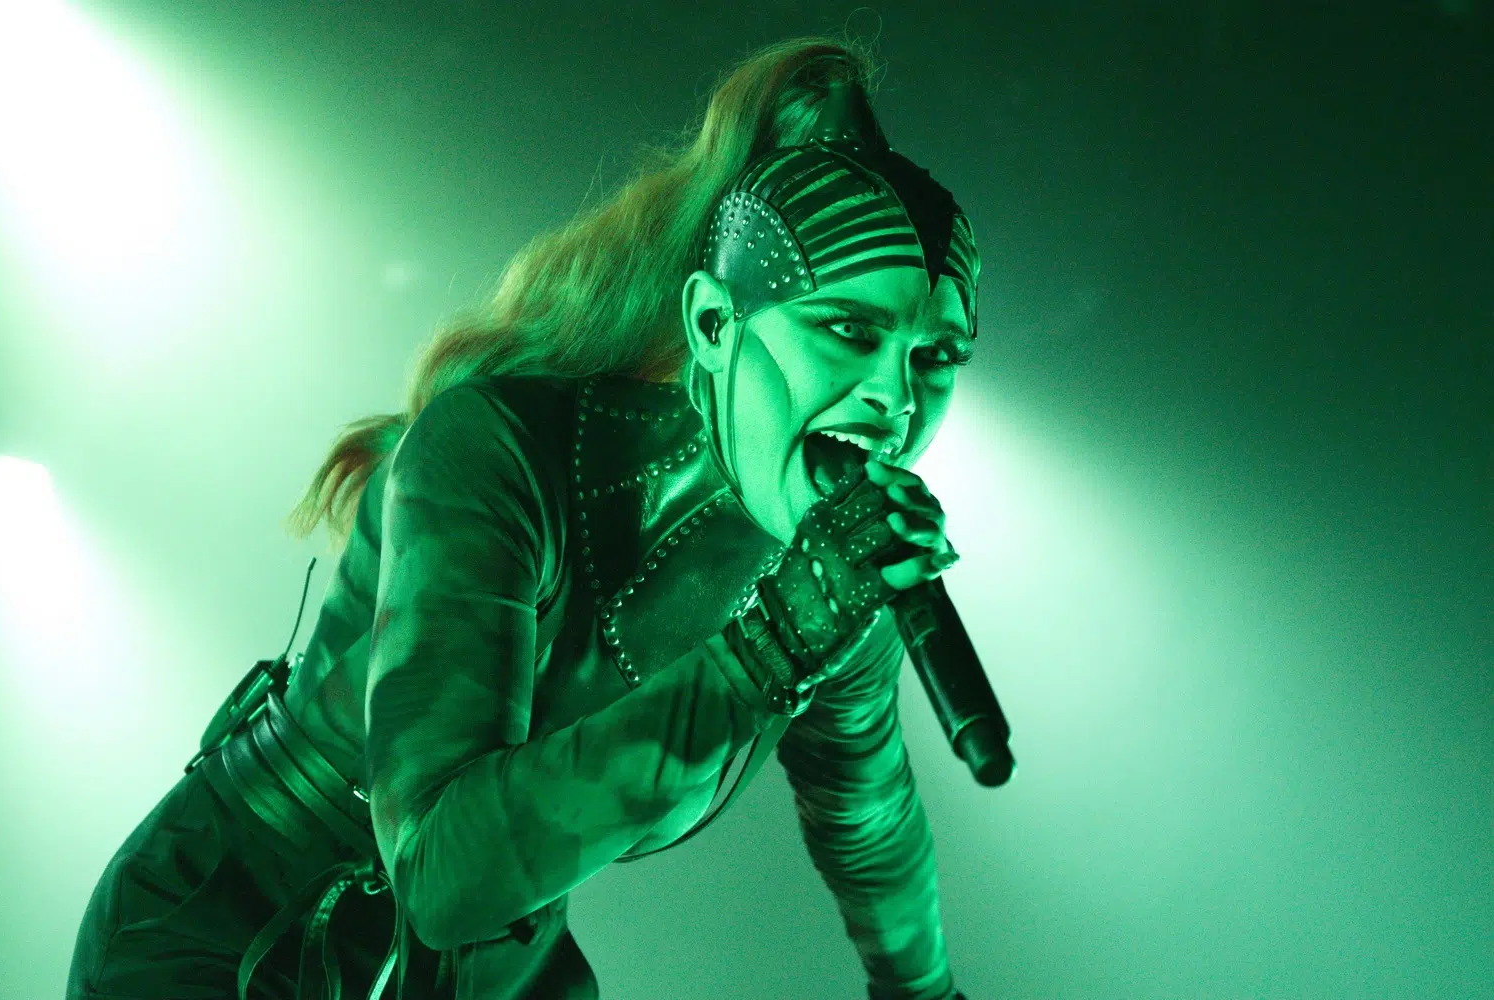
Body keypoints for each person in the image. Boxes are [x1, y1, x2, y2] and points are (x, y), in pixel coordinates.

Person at [67, 35, 980, 1000]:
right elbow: (441, 874)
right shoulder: (497, 448)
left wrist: (927, 994)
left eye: (936, 356)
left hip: (485, 972)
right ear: (715, 323)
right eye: (850, 330)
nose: (895, 399)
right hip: (236, 929)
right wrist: (772, 647)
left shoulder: (838, 580)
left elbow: (867, 822)